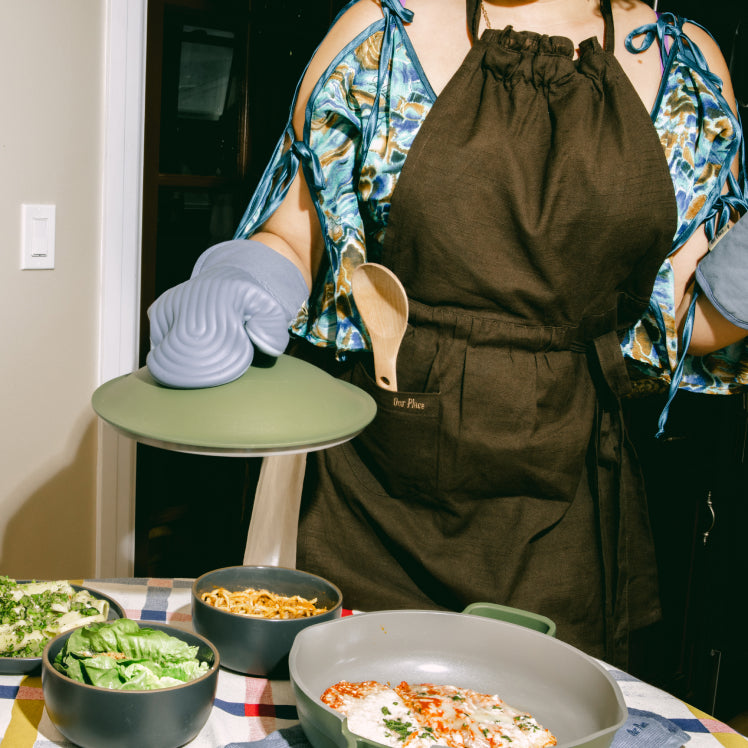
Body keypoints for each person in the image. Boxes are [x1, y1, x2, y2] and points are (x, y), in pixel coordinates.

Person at [145, 0, 748, 668]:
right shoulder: (380, 34)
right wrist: (242, 279)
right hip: (370, 493)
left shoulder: (679, 64)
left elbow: (676, 318)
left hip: (564, 503)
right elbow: (300, 228)